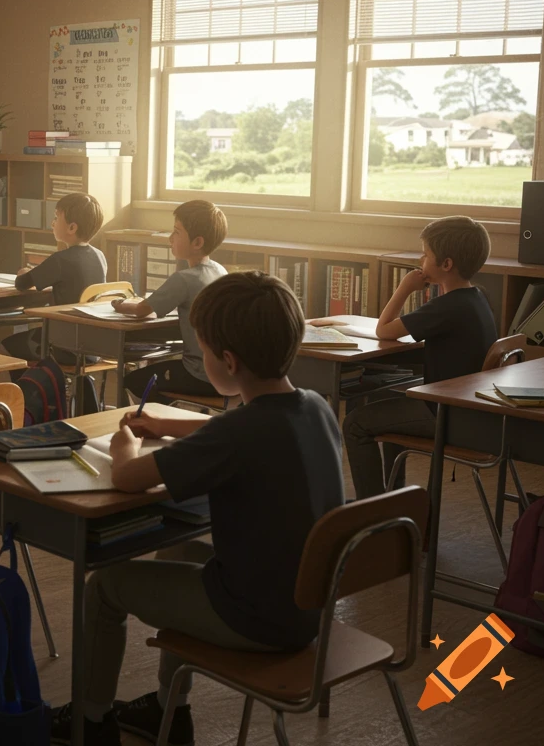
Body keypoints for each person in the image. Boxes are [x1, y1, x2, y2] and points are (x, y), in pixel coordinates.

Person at [49, 272, 344, 746]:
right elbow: (232, 434)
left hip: (256, 618)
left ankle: (91, 720)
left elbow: (127, 478)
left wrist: (124, 442)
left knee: (104, 587)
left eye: (203, 350)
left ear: (227, 361)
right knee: (182, 551)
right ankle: (170, 711)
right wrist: (168, 424)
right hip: (309, 608)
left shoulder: (238, 433)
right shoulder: (313, 406)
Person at [342, 216, 496, 500]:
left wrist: (404, 288)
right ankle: (390, 497)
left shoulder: (446, 307)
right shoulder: (477, 297)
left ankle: (371, 509)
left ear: (446, 264)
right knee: (384, 409)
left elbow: (384, 330)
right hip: (469, 412)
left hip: (446, 414)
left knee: (354, 424)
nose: (421, 259)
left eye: (426, 254)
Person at [116, 200, 228, 404]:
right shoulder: (220, 271)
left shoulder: (184, 279)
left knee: (132, 380)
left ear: (197, 242)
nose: (170, 238)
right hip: (226, 376)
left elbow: (141, 310)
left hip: (198, 374)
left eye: (177, 232)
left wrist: (120, 304)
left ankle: (154, 422)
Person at [0, 192, 107, 366]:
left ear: (72, 228)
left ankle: (27, 392)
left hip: (64, 345)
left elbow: (22, 283)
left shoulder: (60, 260)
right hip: (92, 345)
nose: (53, 223)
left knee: (6, 346)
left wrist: (24, 271)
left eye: (56, 218)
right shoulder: (99, 256)